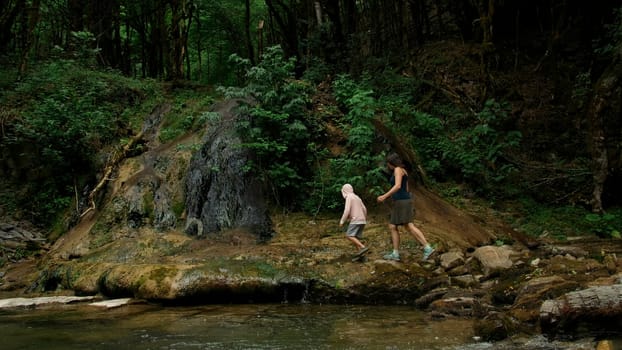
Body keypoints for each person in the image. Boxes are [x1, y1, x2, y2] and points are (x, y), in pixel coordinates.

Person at [376, 153, 434, 261]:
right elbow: (406, 188)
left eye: (388, 163)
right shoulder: (403, 171)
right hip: (402, 200)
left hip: (402, 201)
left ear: (390, 163)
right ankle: (396, 253)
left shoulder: (398, 170)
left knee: (408, 226)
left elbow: (397, 186)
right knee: (394, 226)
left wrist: (384, 196)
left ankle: (427, 248)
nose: (387, 166)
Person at [339, 183, 369, 257]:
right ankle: (361, 256)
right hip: (362, 220)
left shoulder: (349, 197)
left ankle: (363, 247)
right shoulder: (357, 197)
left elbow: (347, 210)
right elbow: (364, 208)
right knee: (355, 237)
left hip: (356, 220)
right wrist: (364, 218)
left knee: (349, 235)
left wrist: (342, 221)